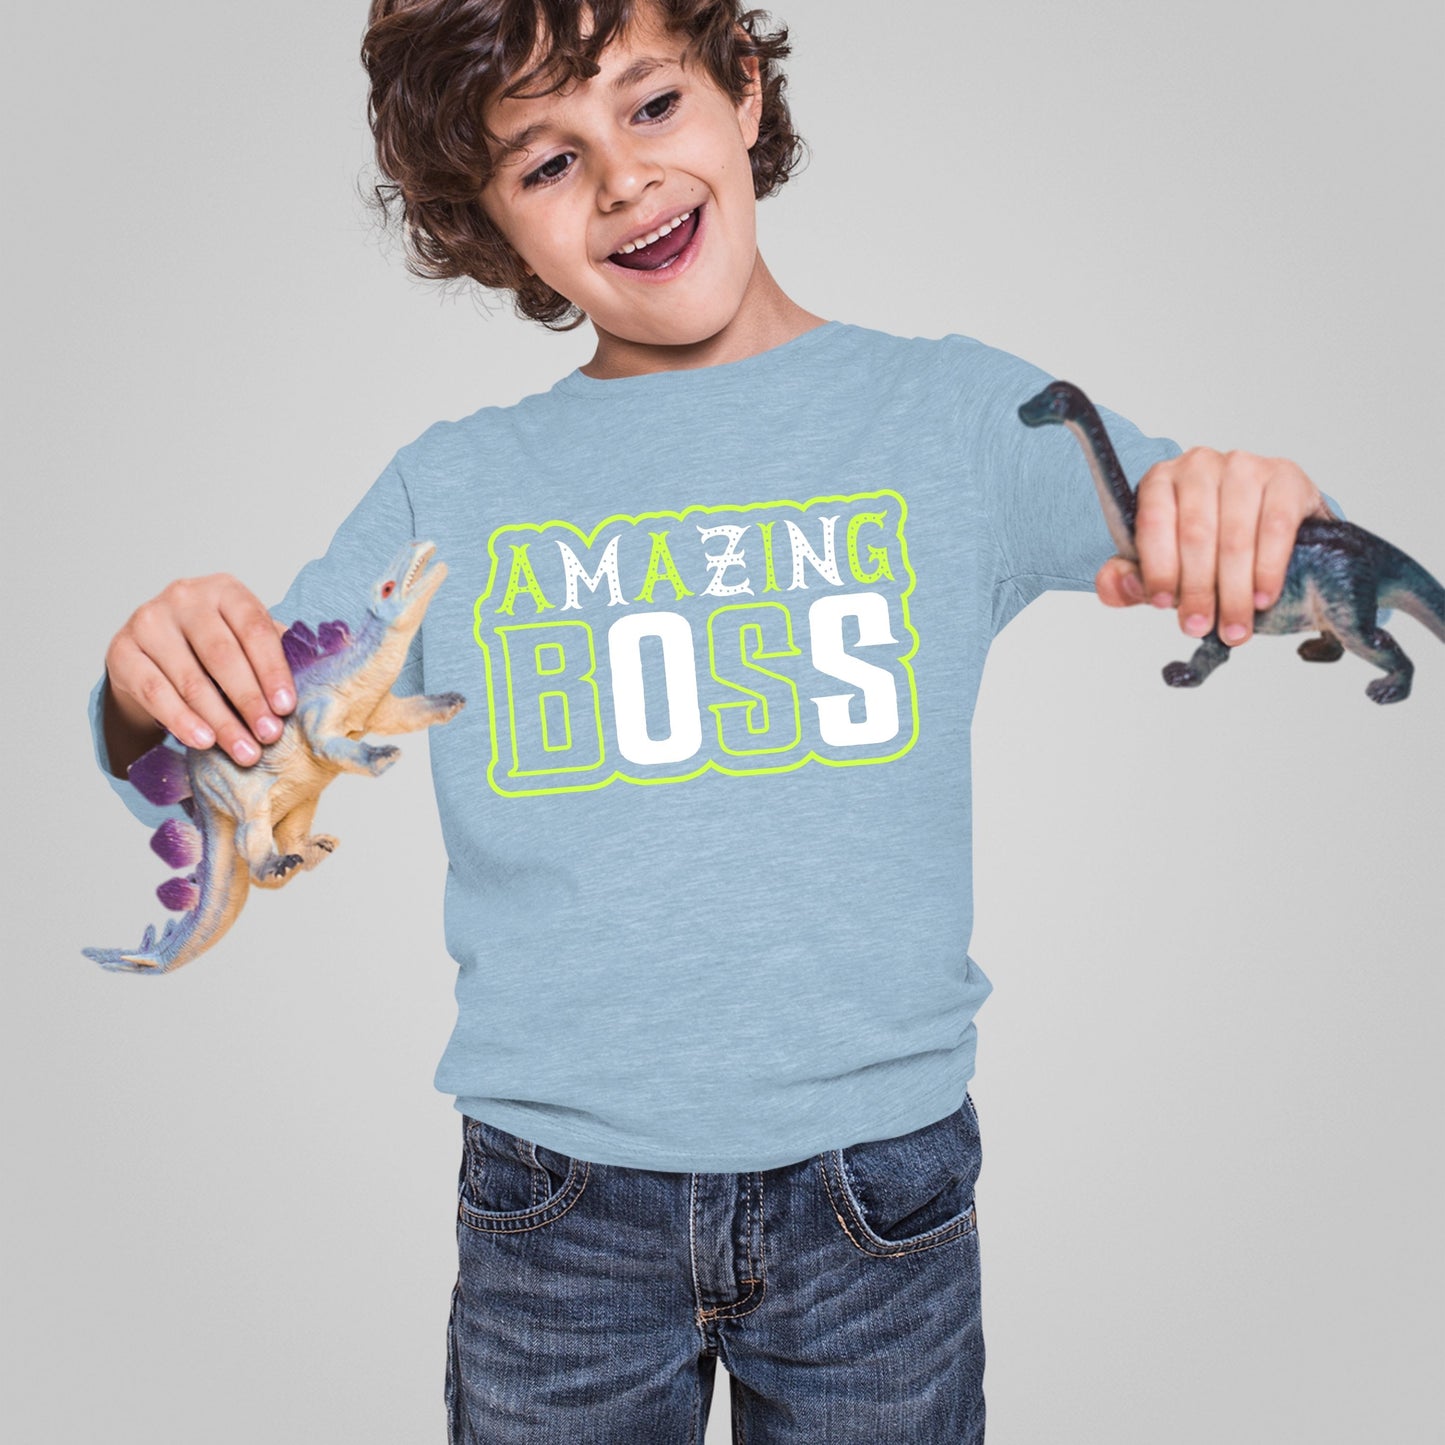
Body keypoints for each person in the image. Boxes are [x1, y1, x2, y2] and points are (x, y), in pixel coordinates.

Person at [85, 2, 1338, 1440]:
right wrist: (146, 687)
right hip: (557, 1211)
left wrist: (1257, 513)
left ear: (741, 86)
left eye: (651, 103)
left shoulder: (954, 419)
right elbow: (216, 758)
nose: (622, 179)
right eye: (546, 162)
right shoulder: (453, 491)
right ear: (493, 221)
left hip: (880, 1196)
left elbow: (1285, 567)